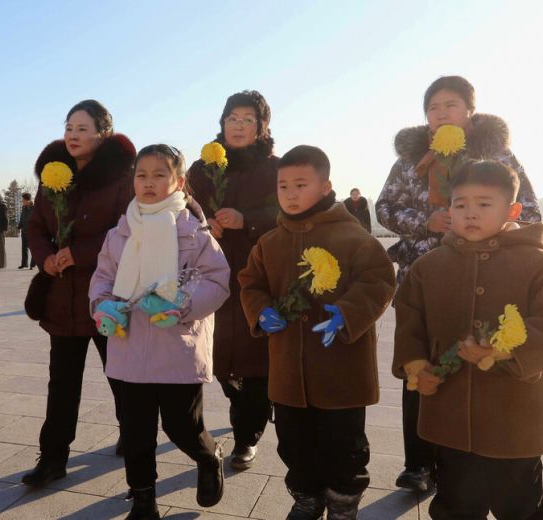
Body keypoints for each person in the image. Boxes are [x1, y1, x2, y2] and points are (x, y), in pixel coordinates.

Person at [375, 75, 542, 493]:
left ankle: (474, 453)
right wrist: (423, 221)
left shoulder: (497, 155)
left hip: (488, 275)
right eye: (433, 108)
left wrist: (487, 225)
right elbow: (385, 206)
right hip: (423, 274)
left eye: (449, 105)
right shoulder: (411, 160)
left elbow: (530, 209)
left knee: (477, 361)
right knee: (418, 366)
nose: (440, 113)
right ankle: (419, 464)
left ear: (470, 110)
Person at [392, 160, 543, 519]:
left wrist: (505, 349)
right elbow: (409, 321)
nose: (470, 214)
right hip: (449, 418)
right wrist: (417, 366)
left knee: (520, 505)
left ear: (512, 210)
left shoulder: (537, 265)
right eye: (460, 205)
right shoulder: (429, 267)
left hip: (515, 418)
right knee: (456, 504)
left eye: (483, 204)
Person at [239, 145, 396, 519]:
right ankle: (306, 497)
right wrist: (261, 312)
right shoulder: (270, 242)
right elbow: (250, 283)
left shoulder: (351, 236)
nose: (291, 194)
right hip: (288, 372)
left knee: (344, 443)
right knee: (294, 442)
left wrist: (346, 313)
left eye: (301, 184)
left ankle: (343, 501)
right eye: (283, 186)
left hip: (341, 369)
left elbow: (379, 280)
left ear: (326, 187)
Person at [90, 144, 230, 518]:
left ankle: (207, 455)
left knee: (182, 426)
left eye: (159, 174)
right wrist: (102, 306)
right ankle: (143, 498)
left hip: (178, 346)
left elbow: (217, 280)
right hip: (129, 346)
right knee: (135, 432)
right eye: (141, 174)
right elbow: (102, 278)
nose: (149, 182)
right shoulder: (120, 233)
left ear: (179, 181)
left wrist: (183, 306)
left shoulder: (194, 232)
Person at [22, 99, 135, 487]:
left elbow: (127, 230)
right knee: (62, 382)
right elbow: (35, 225)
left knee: (119, 375)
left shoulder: (123, 178)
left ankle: (132, 434)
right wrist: (46, 257)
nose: (72, 134)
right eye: (69, 126)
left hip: (106, 295)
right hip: (62, 297)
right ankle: (53, 458)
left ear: (102, 134)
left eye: (82, 128)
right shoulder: (54, 174)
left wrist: (80, 253)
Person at [188, 90, 278, 469]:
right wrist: (204, 220)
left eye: (247, 119)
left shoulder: (276, 168)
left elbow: (287, 210)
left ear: (261, 128)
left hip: (259, 272)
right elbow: (185, 206)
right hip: (212, 273)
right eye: (232, 118)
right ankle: (240, 403)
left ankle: (247, 436)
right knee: (218, 355)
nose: (238, 125)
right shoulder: (201, 168)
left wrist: (247, 220)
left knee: (256, 357)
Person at [18, 192, 36, 269]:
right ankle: (24, 263)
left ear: (27, 200)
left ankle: (33, 264)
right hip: (24, 230)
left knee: (32, 248)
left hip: (32, 231)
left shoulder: (34, 208)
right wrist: (19, 226)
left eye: (23, 200)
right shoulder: (24, 207)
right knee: (24, 248)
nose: (22, 201)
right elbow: (22, 217)